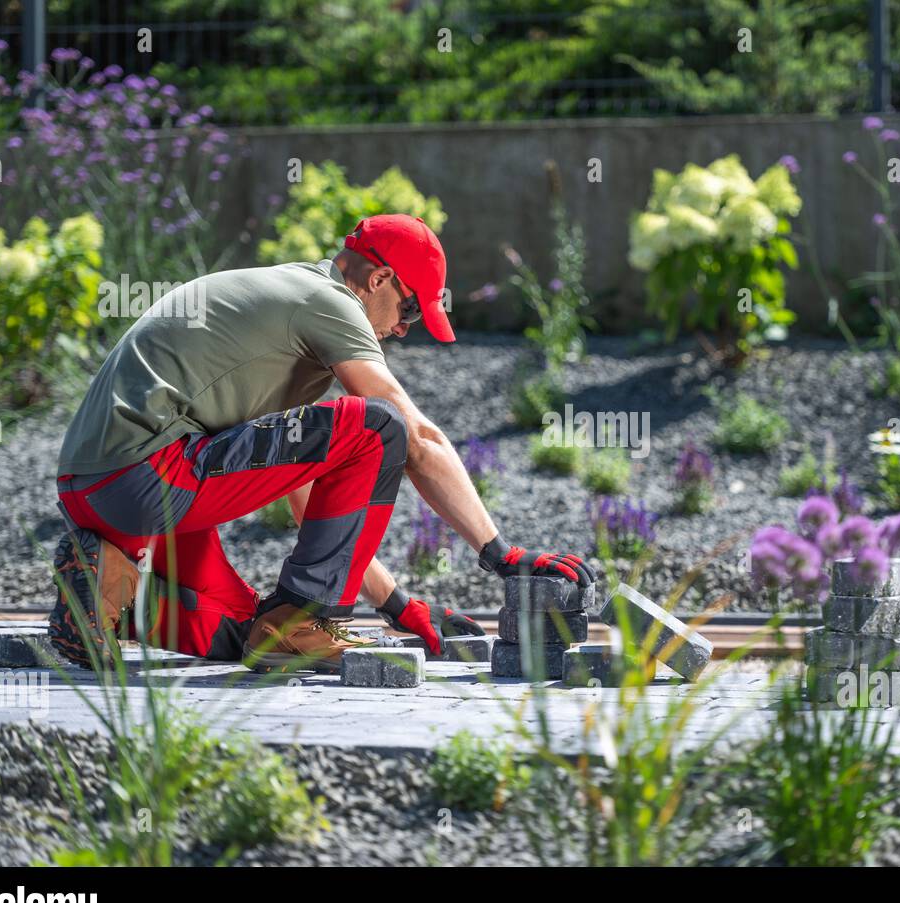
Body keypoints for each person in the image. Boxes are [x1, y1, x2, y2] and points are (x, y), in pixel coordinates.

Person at [50, 213, 592, 672]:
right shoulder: (329, 302)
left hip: (103, 495)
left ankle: (103, 595)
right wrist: (503, 556)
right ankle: (306, 619)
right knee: (379, 426)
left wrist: (399, 606)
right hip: (148, 477)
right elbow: (417, 440)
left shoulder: (286, 308)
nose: (405, 330)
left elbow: (303, 486)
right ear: (378, 279)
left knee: (261, 639)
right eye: (409, 310)